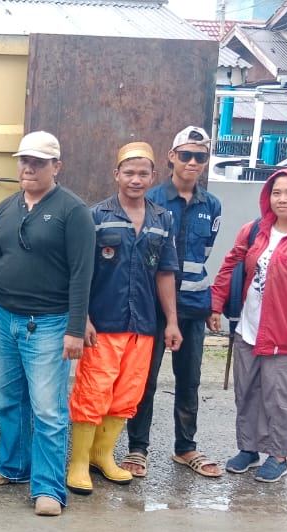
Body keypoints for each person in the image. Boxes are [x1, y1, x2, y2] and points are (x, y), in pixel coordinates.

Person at [0, 131, 95, 516]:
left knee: (48, 410)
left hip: (51, 325)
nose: (28, 168)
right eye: (24, 160)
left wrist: (75, 329)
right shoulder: (8, 207)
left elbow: (82, 274)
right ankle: (12, 467)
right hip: (5, 320)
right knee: (8, 400)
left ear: (56, 166)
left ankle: (49, 490)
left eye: (38, 162)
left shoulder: (73, 212)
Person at [208, 168, 287, 483]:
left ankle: (278, 456)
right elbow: (230, 265)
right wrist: (215, 304)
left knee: (282, 398)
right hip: (248, 329)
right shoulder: (254, 231)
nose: (282, 199)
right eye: (276, 192)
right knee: (248, 392)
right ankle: (249, 449)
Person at [65, 142, 182, 494]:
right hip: (103, 323)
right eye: (129, 172)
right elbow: (80, 272)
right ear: (116, 174)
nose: (136, 179)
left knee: (127, 394)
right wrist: (81, 317)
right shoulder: (95, 216)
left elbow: (165, 272)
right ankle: (79, 463)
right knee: (93, 392)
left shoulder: (163, 219)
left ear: (153, 177)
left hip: (143, 324)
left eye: (143, 173)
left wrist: (172, 321)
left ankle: (104, 456)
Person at [124, 126, 224, 479]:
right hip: (152, 308)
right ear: (172, 157)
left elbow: (206, 254)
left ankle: (186, 448)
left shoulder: (211, 205)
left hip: (193, 308)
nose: (193, 162)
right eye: (186, 155)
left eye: (200, 156)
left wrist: (212, 305)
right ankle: (137, 449)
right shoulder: (152, 201)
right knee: (144, 380)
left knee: (189, 380)